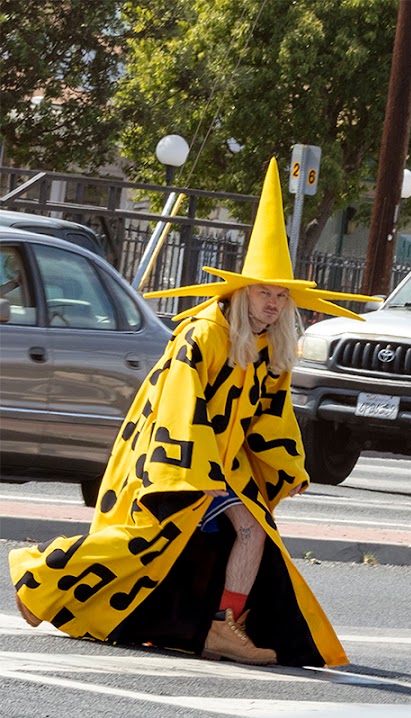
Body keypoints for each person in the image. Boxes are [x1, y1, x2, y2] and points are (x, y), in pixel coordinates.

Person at [10, 158, 373, 667]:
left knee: (233, 536)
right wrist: (193, 472)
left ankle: (222, 626)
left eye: (281, 295)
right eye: (265, 292)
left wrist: (288, 468)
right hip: (172, 466)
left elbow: (270, 417)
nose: (273, 303)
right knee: (145, 542)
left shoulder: (270, 350)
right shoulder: (203, 335)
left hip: (219, 470)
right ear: (242, 291)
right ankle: (40, 576)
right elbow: (177, 404)